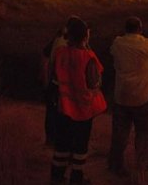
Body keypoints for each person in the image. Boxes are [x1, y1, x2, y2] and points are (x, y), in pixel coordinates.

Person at [50, 17, 106, 185]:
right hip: (83, 107)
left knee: (62, 143)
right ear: (85, 36)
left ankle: (57, 176)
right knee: (80, 144)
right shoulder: (88, 57)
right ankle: (76, 177)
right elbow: (94, 82)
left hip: (63, 105)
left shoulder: (60, 53)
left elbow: (54, 75)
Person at [108, 16, 148, 177]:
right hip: (143, 95)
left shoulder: (117, 43)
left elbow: (111, 53)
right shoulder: (147, 44)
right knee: (144, 133)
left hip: (122, 95)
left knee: (120, 133)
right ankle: (142, 168)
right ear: (140, 28)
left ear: (125, 28)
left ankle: (115, 165)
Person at [41, 22, 72, 147]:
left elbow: (45, 54)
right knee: (61, 112)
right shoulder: (65, 45)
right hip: (60, 83)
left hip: (53, 82)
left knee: (51, 112)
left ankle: (50, 139)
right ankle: (59, 140)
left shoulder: (55, 42)